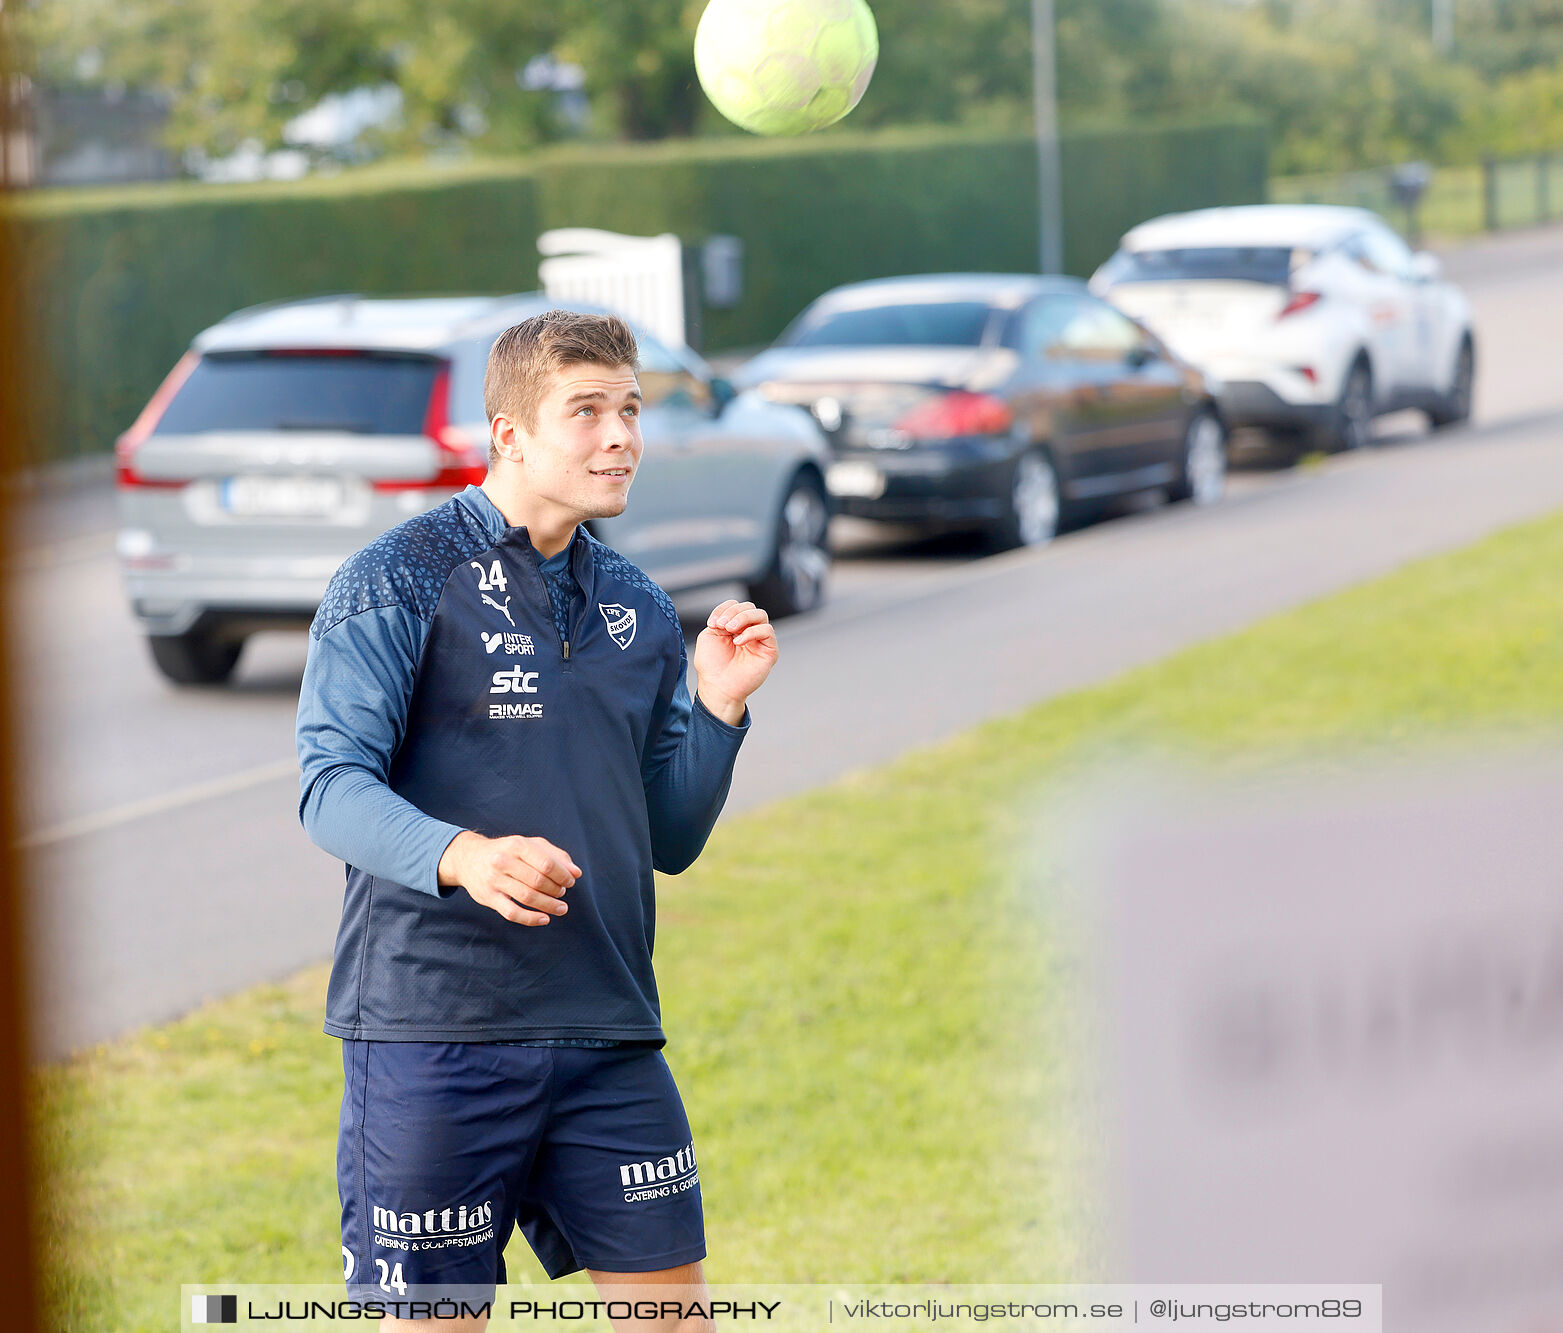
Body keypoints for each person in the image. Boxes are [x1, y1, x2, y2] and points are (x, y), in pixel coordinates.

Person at [295, 309, 778, 1332]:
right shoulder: (396, 580)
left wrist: (722, 707)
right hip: (436, 1036)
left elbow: (670, 836)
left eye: (632, 410)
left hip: (606, 1028)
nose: (622, 437)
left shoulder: (640, 608)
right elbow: (328, 786)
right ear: (509, 434)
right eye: (588, 412)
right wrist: (466, 856)